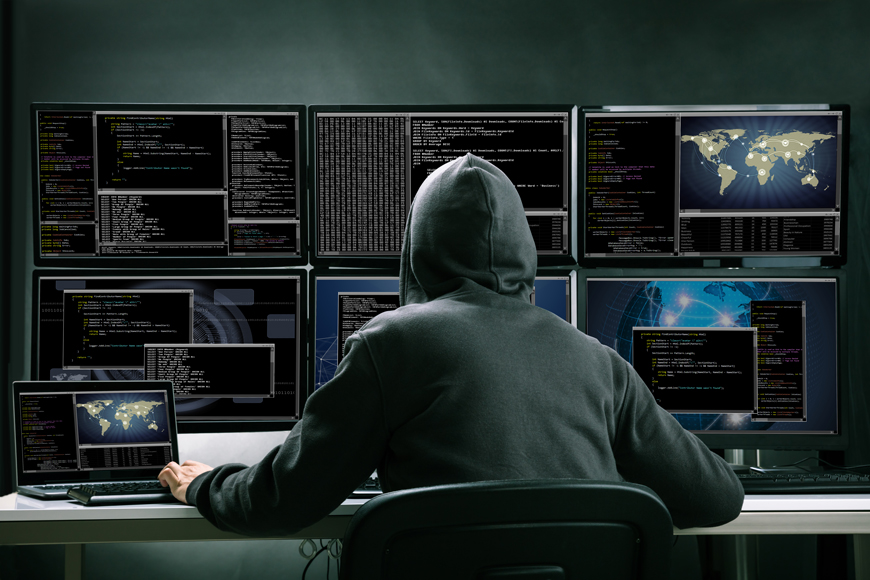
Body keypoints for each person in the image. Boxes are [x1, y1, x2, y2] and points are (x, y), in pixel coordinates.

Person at [159, 153, 744, 532]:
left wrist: (205, 485)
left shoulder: (389, 342)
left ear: (417, 250)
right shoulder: (595, 357)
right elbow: (716, 499)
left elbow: (284, 500)